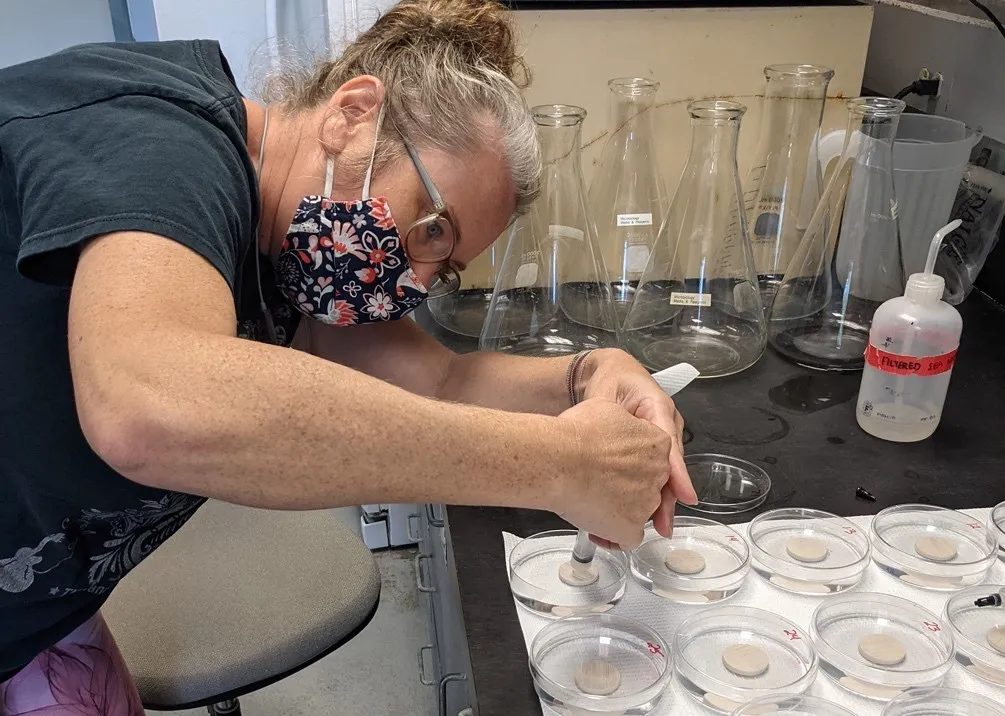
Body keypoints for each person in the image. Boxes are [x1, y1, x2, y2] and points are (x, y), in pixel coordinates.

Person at [0, 0, 694, 711]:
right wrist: (560, 465)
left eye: (442, 267)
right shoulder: (155, 135)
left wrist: (590, 375)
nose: (415, 282)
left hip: (40, 614)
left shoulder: (287, 263)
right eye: (431, 230)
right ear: (352, 115)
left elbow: (442, 382)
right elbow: (150, 409)